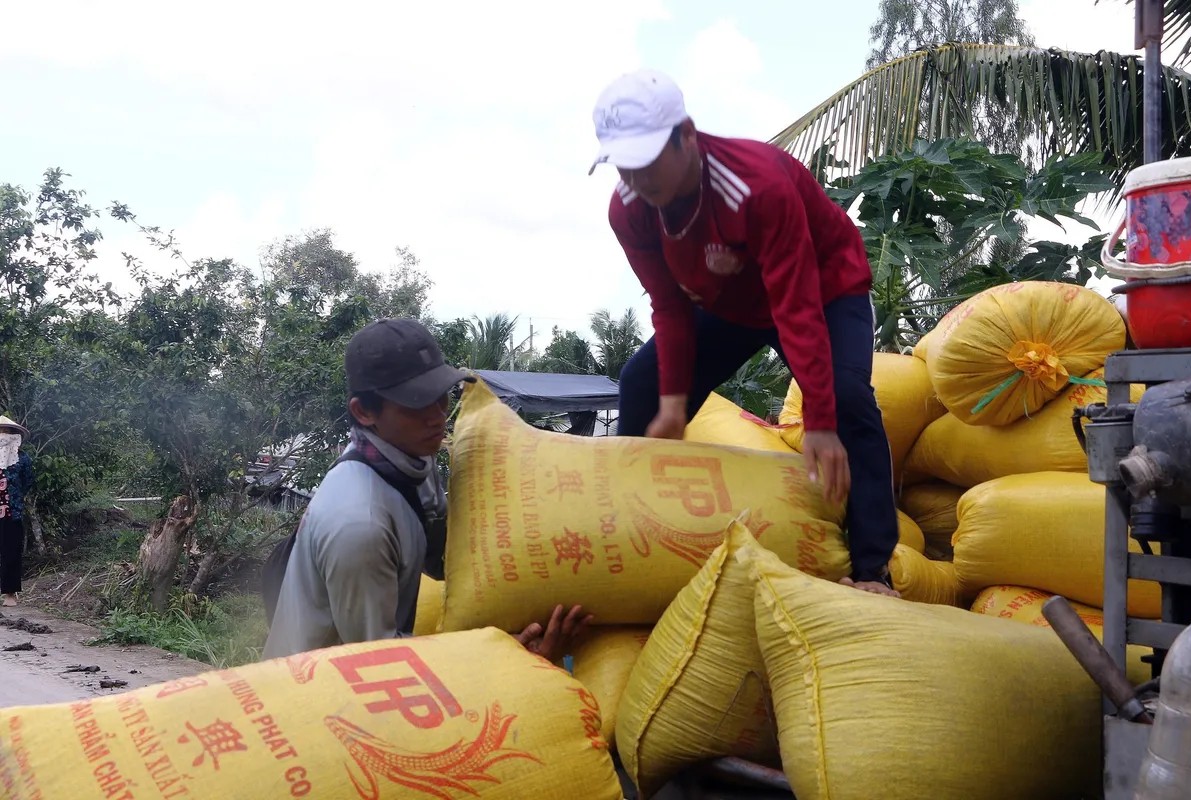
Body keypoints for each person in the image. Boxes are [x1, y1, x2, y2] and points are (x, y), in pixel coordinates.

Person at [590, 69, 899, 597]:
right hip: (731, 302)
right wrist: (670, 403)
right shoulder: (629, 209)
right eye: (624, 165)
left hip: (822, 288)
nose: (636, 181)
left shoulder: (757, 185)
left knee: (846, 399)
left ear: (686, 134)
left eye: (645, 162)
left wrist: (820, 423)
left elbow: (797, 305)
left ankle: (872, 570)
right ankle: (634, 532)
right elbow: (668, 306)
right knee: (641, 383)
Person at [262, 319, 592, 661]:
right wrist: (503, 654)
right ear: (364, 412)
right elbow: (376, 660)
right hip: (317, 688)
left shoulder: (412, 456)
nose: (437, 417)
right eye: (417, 403)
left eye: (441, 398)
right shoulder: (361, 524)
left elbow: (446, 560)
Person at [0, 416, 34, 607]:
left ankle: (10, 594)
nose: (3, 435)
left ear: (14, 435)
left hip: (12, 512)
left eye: (6, 431)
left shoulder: (22, 458)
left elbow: (28, 482)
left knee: (11, 552)